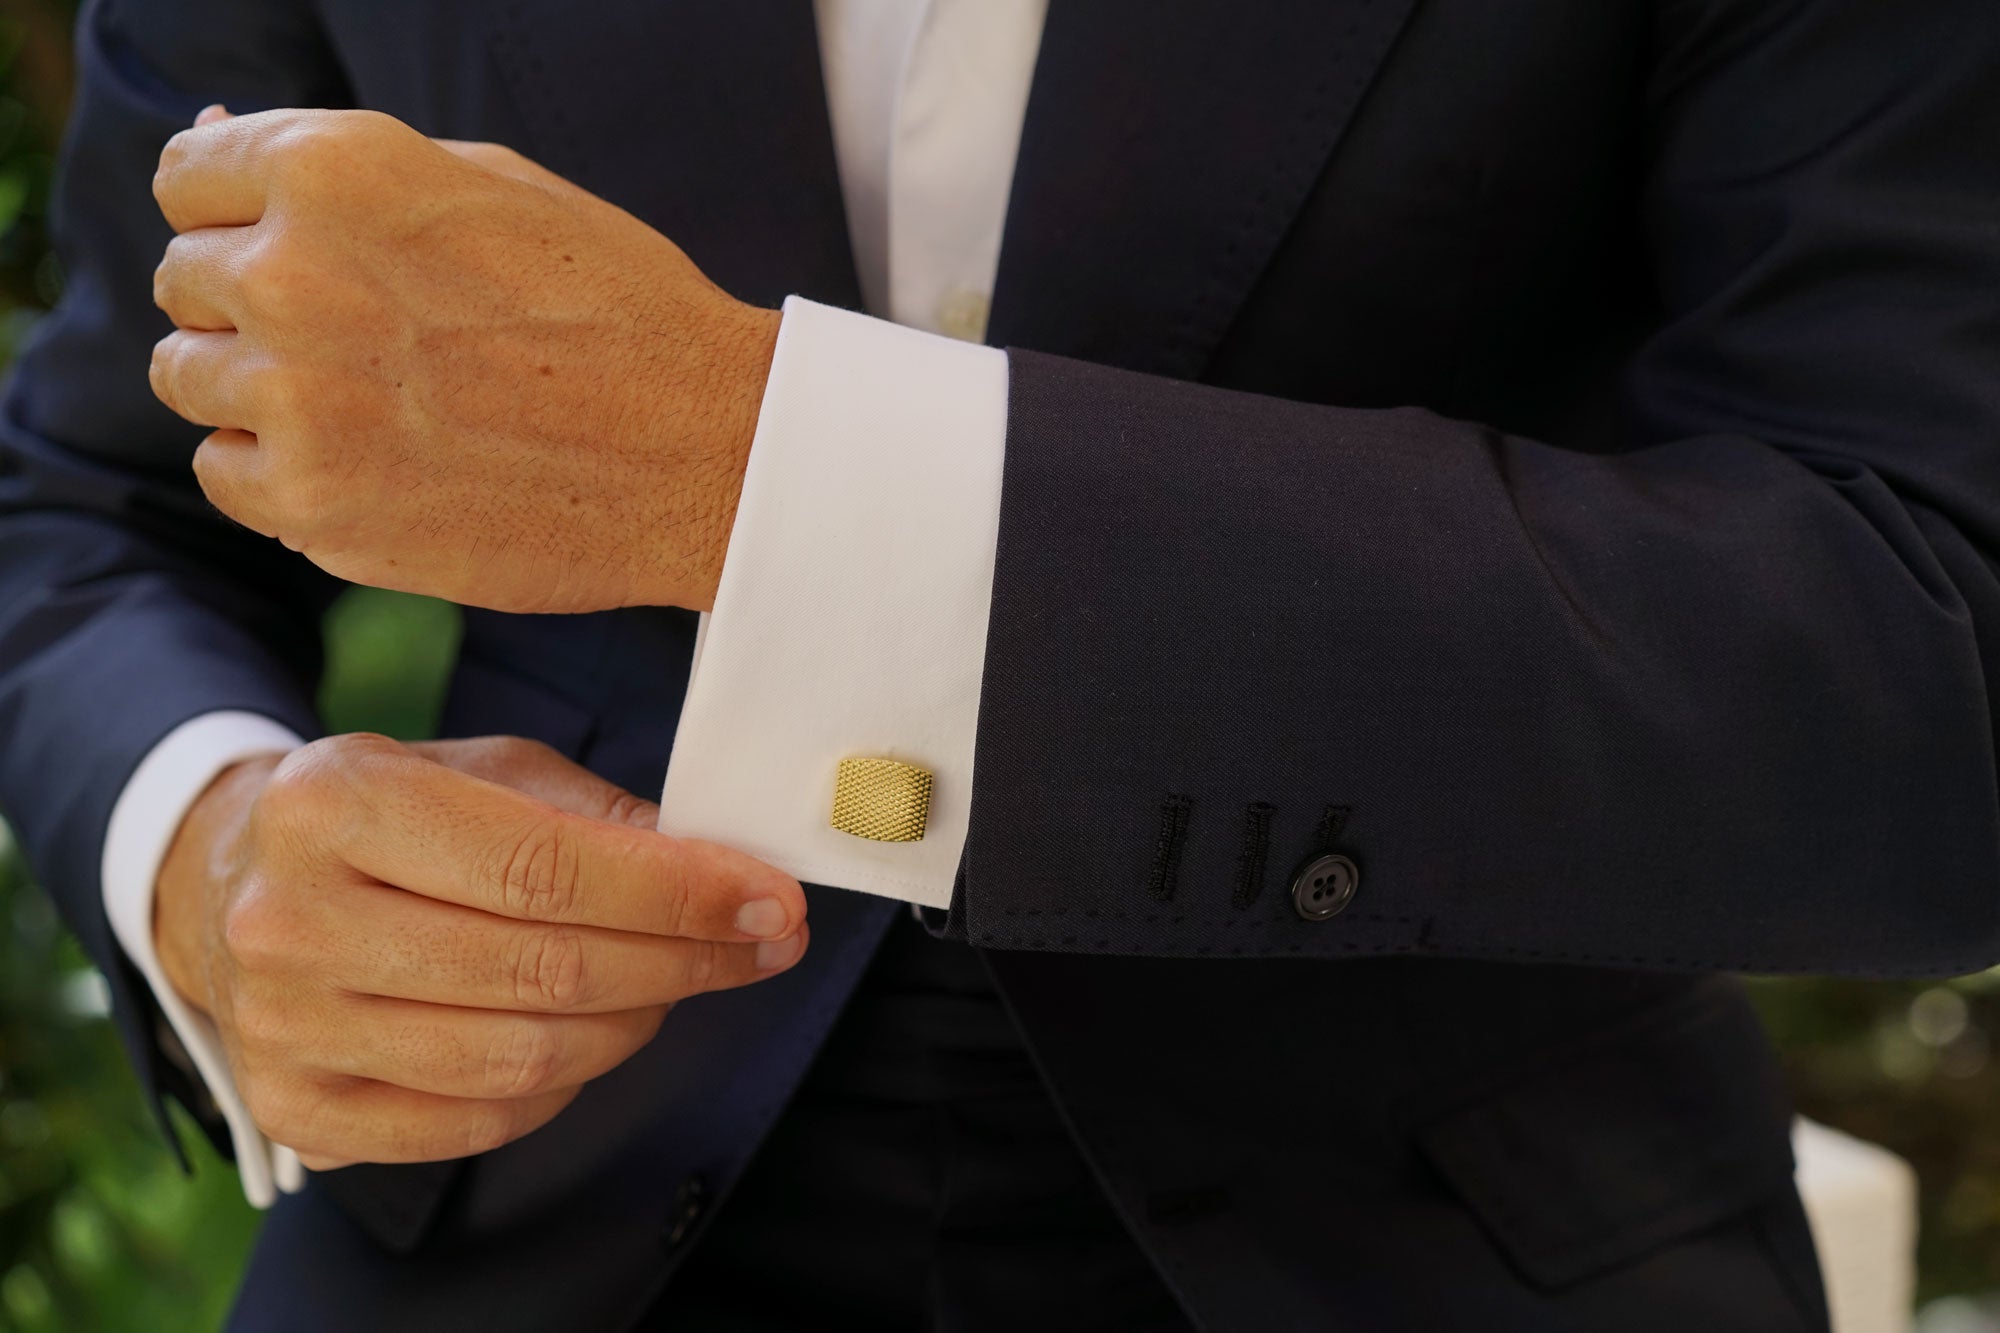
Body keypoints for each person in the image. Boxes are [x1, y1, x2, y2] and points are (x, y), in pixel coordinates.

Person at [2, 0, 1994, 1327]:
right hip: (517, 1226)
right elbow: (89, 493)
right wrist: (207, 840)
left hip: (1443, 1240)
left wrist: (761, 461)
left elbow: (1936, 656)